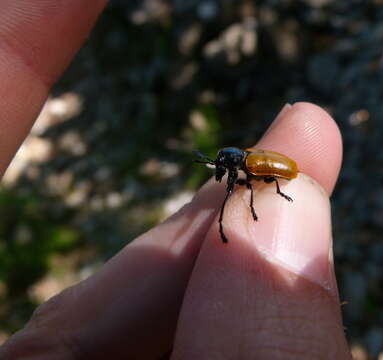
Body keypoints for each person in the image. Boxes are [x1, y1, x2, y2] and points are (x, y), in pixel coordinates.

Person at [0, 1, 351, 359]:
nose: (221, 171)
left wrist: (269, 201)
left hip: (283, 171)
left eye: (221, 165)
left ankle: (270, 208)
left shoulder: (252, 163)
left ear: (230, 160)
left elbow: (269, 177)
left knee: (257, 191)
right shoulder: (242, 163)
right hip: (272, 167)